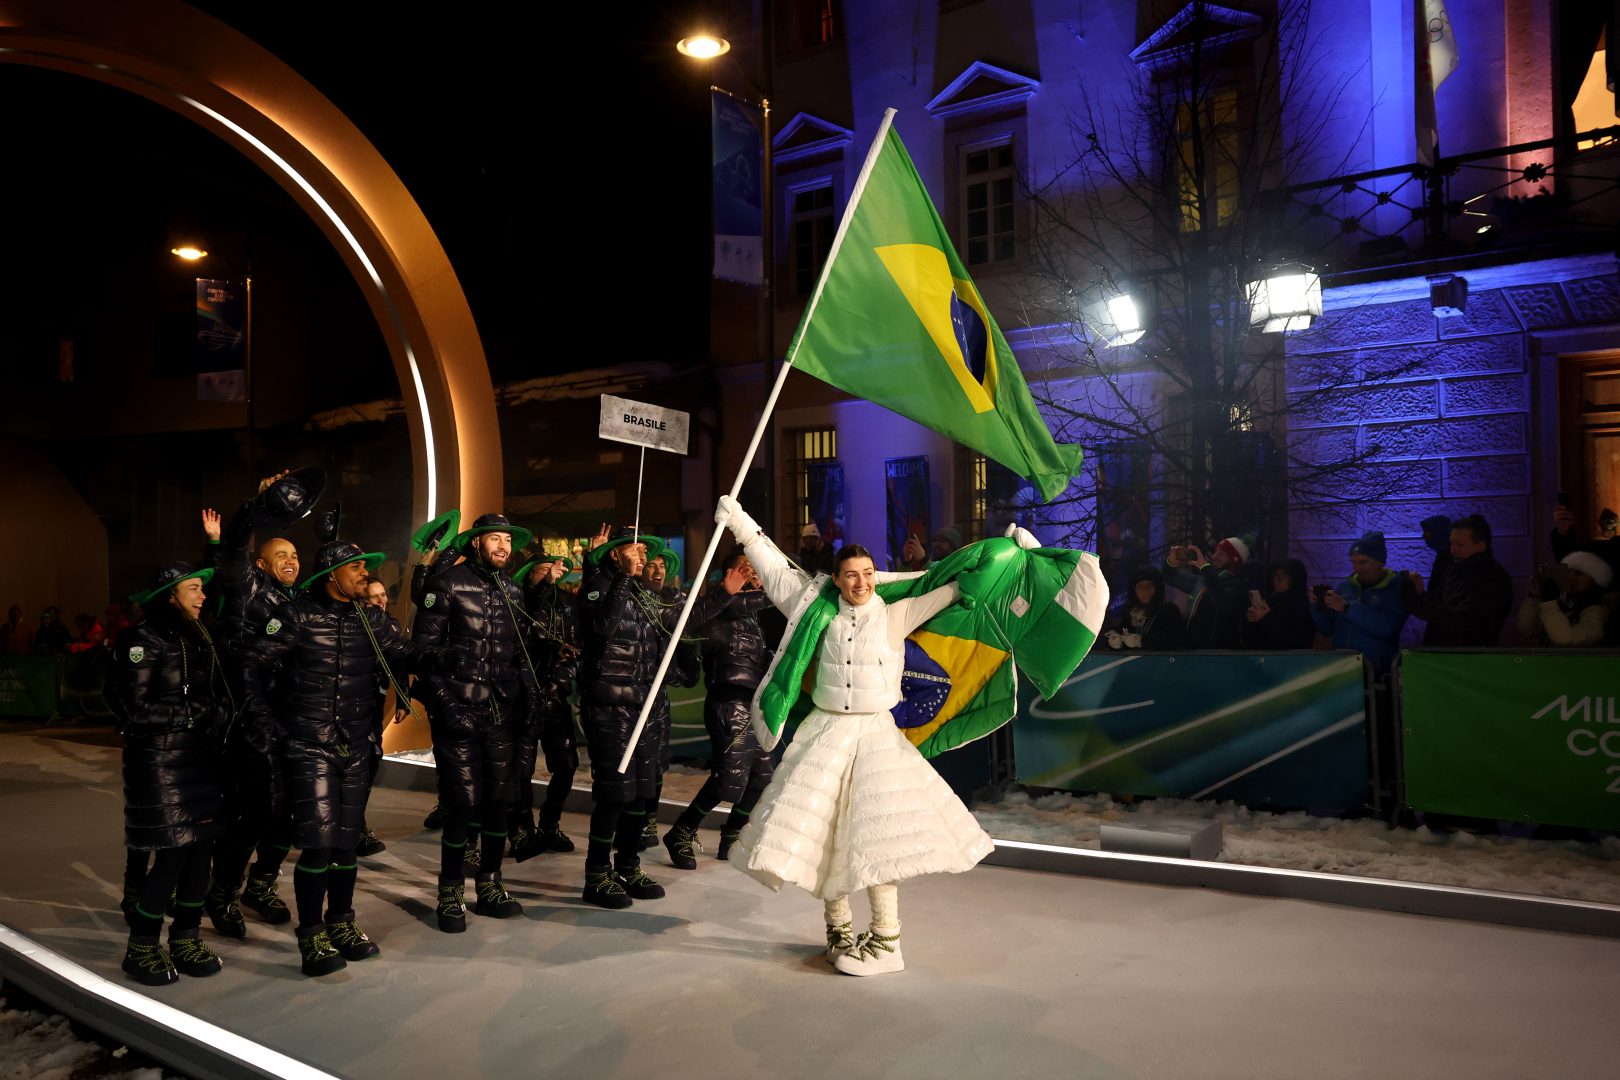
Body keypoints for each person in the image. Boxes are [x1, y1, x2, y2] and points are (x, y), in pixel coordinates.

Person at [713, 494, 990, 977]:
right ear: (837, 579)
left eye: (867, 574)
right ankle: (839, 931)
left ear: (875, 577)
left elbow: (957, 583)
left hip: (875, 736)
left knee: (877, 838)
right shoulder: (815, 611)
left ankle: (886, 939)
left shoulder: (897, 614)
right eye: (850, 575)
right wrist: (740, 522)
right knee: (827, 834)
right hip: (826, 733)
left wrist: (1008, 552)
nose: (860, 583)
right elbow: (774, 569)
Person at [241, 541, 452, 975]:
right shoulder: (295, 615)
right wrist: (264, 721)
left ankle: (341, 921)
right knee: (317, 846)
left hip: (356, 744)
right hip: (308, 745)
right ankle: (312, 934)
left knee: (345, 843)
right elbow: (249, 666)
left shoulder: (370, 618)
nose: (364, 573)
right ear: (332, 575)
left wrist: (448, 653)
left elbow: (406, 653)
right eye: (356, 567)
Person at [412, 512, 536, 932]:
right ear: (476, 543)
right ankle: (450, 891)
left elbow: (519, 654)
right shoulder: (445, 584)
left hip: (502, 714)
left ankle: (490, 884)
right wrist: (447, 707)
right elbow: (422, 655)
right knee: (462, 805)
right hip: (458, 712)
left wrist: (530, 698)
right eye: (494, 538)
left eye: (507, 539)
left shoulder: (513, 590)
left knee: (500, 801)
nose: (503, 546)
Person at [108, 563, 230, 986]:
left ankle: (185, 938)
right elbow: (135, 708)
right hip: (159, 763)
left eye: (202, 589)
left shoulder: (196, 636)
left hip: (199, 758)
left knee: (201, 850)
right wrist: (199, 712)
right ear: (170, 595)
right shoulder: (141, 639)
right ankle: (142, 945)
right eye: (194, 588)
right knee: (174, 853)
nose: (202, 596)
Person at [203, 478, 313, 937]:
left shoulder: (300, 603)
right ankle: (222, 893)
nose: (291, 560)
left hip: (290, 723)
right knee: (251, 815)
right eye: (281, 554)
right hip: (247, 722)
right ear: (261, 564)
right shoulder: (248, 588)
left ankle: (261, 885)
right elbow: (233, 552)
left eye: (295, 554)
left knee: (290, 813)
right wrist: (257, 507)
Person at [574, 527, 682, 908]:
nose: (641, 557)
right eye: (633, 550)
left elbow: (677, 626)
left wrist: (725, 595)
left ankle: (628, 866)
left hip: (643, 706)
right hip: (608, 706)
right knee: (614, 794)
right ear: (615, 554)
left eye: (643, 551)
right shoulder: (597, 588)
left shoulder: (643, 596)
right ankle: (596, 874)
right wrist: (622, 577)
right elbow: (602, 627)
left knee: (642, 791)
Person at [664, 549, 777, 867]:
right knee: (729, 780)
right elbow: (733, 606)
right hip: (729, 702)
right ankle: (681, 831)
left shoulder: (751, 616)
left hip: (754, 705)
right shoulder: (719, 604)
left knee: (762, 778)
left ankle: (732, 834)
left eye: (756, 569)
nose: (753, 573)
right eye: (746, 567)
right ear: (729, 573)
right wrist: (780, 589)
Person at [509, 553, 582, 860]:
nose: (550, 574)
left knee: (567, 764)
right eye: (543, 570)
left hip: (554, 697)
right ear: (530, 574)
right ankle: (521, 828)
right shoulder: (516, 602)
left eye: (553, 571)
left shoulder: (567, 603)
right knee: (520, 769)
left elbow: (576, 649)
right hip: (521, 698)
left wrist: (556, 683)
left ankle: (550, 824)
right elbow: (522, 642)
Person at [634, 545, 700, 850]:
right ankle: (634, 820)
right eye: (651, 565)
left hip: (659, 694)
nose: (657, 571)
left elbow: (688, 640)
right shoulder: (635, 600)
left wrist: (687, 671)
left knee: (658, 761)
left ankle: (650, 818)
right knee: (639, 761)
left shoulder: (676, 602)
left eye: (662, 566)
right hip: (635, 693)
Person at [1406, 515, 1513, 646]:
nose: (1452, 550)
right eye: (1451, 543)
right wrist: (1419, 594)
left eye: (1460, 544)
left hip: (1469, 654)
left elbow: (1464, 619)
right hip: (1445, 651)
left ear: (1481, 546)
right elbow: (1438, 602)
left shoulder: (1492, 577)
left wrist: (1419, 604)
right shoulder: (1455, 569)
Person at [1312, 532, 1409, 671]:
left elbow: (1388, 627)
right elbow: (1326, 629)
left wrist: (1347, 608)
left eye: (1363, 562)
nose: (1357, 568)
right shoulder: (1345, 587)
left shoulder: (1395, 589)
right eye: (1353, 562)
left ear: (1380, 561)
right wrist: (1317, 605)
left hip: (1376, 670)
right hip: (1343, 667)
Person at [1163, 536, 1250, 649]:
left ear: (1235, 559)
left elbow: (1224, 603)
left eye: (1222, 553)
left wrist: (1205, 567)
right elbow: (1171, 578)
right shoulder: (1203, 580)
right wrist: (1171, 562)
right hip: (1192, 649)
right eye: (1216, 552)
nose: (1215, 556)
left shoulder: (1238, 586)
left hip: (1218, 654)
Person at [1517, 552, 1612, 647]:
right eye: (1568, 572)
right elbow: (1528, 630)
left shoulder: (1597, 612)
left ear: (1595, 579)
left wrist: (1549, 603)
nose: (1571, 577)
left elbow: (1566, 640)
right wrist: (1534, 598)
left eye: (1579, 573)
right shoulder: (1565, 604)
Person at [1103, 566, 1185, 651]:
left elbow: (1174, 639)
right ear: (1134, 591)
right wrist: (1116, 637)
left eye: (1149, 585)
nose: (1145, 590)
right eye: (1140, 586)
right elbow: (1125, 629)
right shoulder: (1131, 613)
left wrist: (1140, 641)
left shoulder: (1168, 611)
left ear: (1157, 589)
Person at [1243, 557, 1316, 650]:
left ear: (1295, 579)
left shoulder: (1303, 607)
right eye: (1275, 575)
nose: (1277, 579)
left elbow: (1294, 640)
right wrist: (1251, 620)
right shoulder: (1271, 601)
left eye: (1282, 576)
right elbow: (1251, 640)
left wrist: (1265, 618)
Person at [1418, 515, 1453, 605]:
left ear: (1438, 532)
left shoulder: (1446, 557)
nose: (1423, 536)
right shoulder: (1444, 554)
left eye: (1427, 531)